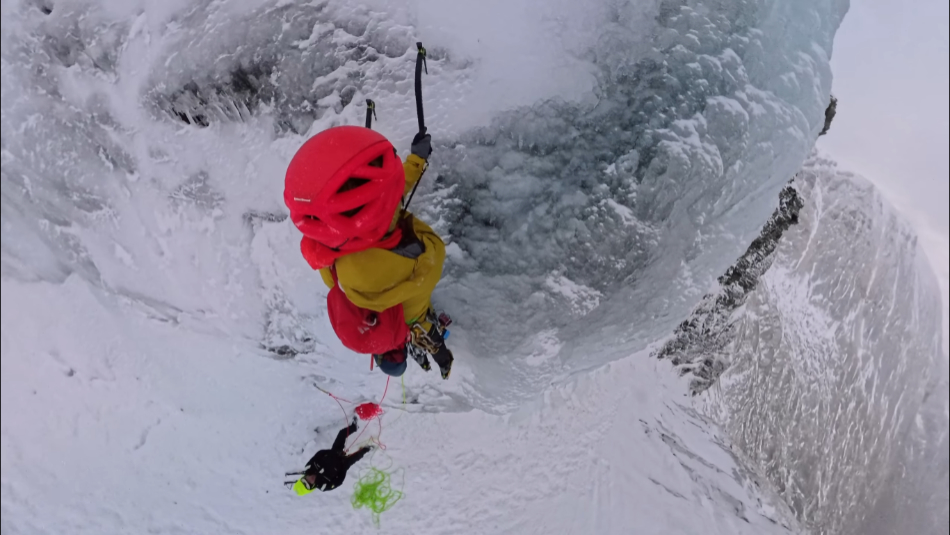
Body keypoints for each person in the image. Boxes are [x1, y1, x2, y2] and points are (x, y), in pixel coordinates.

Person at [284, 126, 453, 379]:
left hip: (410, 320)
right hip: (414, 311)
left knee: (428, 334)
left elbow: (382, 203)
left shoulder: (330, 259)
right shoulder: (421, 257)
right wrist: (416, 161)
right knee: (426, 330)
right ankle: (443, 361)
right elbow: (393, 203)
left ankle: (443, 362)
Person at [293, 417, 372, 495]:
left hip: (334, 453)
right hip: (343, 464)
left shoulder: (309, 467)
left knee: (342, 434)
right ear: (312, 487)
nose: (310, 479)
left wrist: (332, 452)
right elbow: (339, 482)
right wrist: (344, 468)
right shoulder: (323, 486)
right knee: (357, 455)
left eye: (306, 479)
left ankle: (354, 426)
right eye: (310, 483)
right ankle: (368, 448)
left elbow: (319, 454)